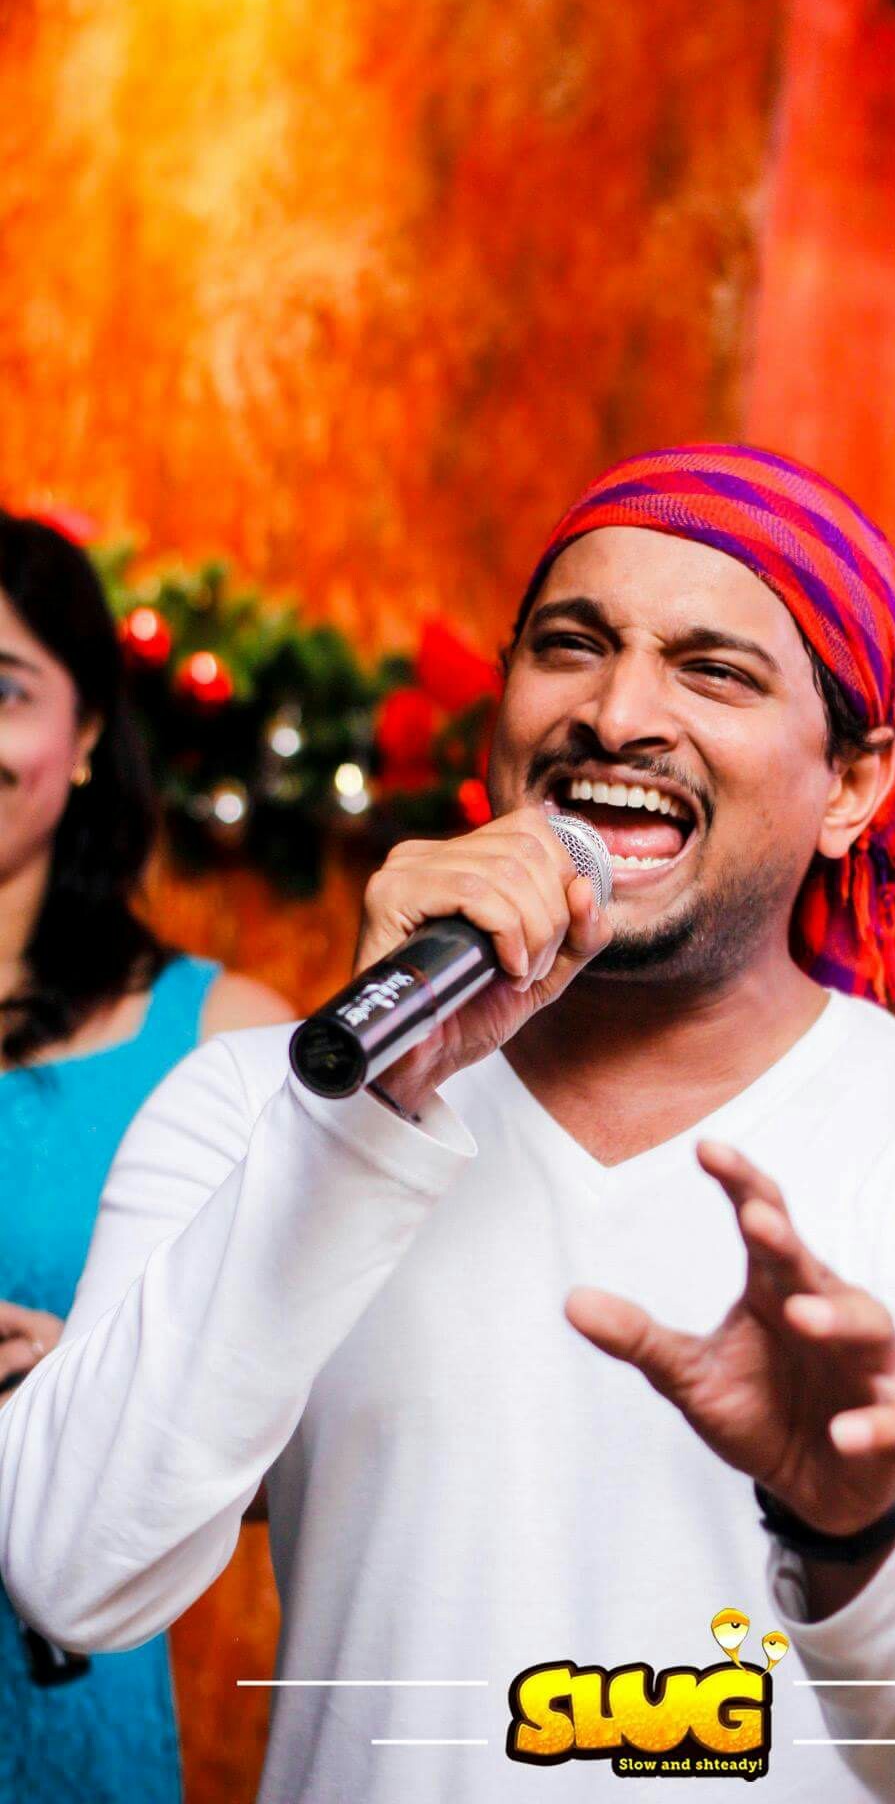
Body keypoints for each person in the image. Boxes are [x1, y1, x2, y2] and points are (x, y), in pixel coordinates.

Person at [0, 448, 895, 1803]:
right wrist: (364, 1109)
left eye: (714, 671)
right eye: (571, 646)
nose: (617, 714)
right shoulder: (261, 1102)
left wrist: (861, 1536)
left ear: (851, 784)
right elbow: (74, 1578)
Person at [0, 510, 292, 1804]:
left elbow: (321, 1440)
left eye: (4, 691)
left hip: (57, 1713)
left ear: (86, 737)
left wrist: (105, 1394)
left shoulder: (222, 1040)